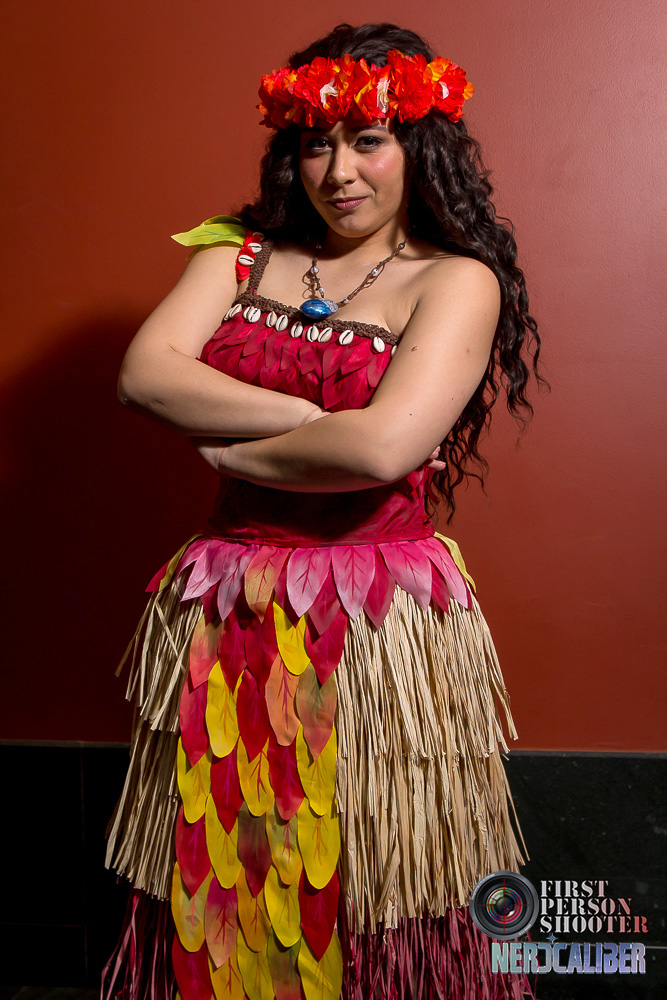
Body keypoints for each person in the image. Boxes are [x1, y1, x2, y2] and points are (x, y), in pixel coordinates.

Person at [102, 21, 543, 1000]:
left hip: (377, 618)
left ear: (418, 145)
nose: (337, 173)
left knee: (373, 874)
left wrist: (232, 445)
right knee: (230, 861)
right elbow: (145, 376)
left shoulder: (456, 279)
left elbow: (382, 453)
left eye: (367, 141)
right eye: (314, 145)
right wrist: (313, 421)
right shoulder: (237, 252)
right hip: (230, 601)